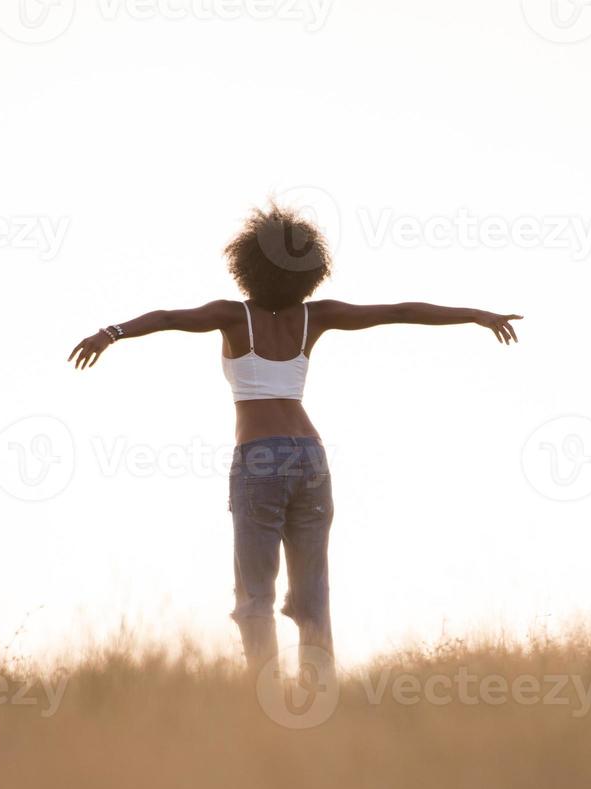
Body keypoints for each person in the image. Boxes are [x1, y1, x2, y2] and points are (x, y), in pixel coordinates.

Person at [69, 203, 521, 678]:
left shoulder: (232, 315)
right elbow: (400, 310)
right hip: (310, 456)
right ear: (309, 270)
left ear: (247, 265)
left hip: (260, 457)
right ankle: (317, 691)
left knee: (255, 595)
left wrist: (110, 333)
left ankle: (261, 697)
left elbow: (165, 317)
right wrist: (478, 315)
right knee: (312, 593)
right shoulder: (315, 316)